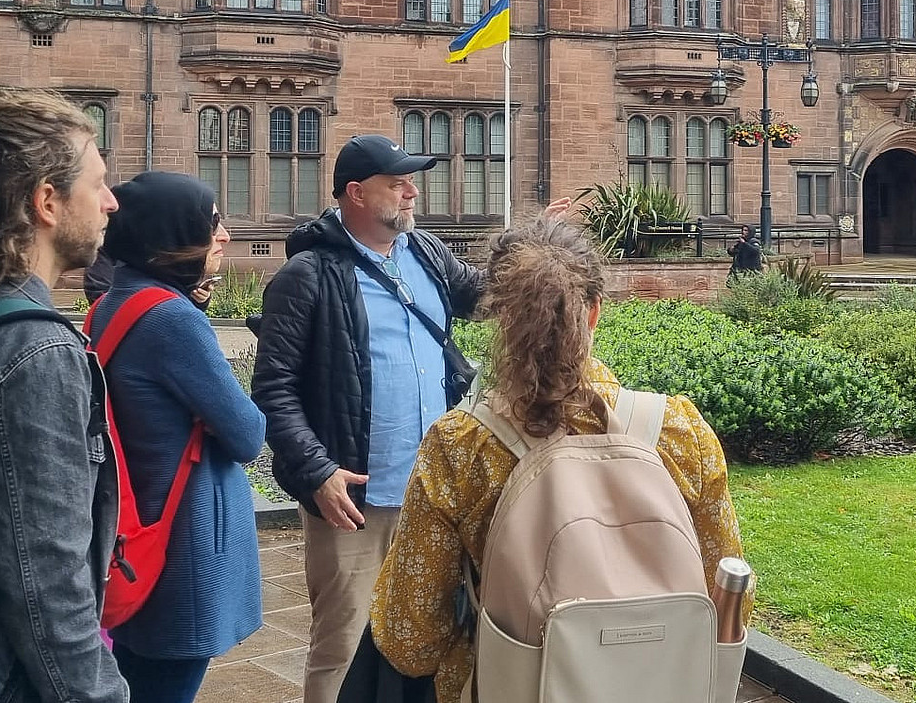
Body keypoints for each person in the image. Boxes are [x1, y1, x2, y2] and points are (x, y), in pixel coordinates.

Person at [368, 219, 745, 701]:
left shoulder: (461, 447)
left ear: (500, 317)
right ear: (594, 313)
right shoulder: (678, 431)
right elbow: (728, 591)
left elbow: (409, 638)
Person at [252, 134, 486, 703]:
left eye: (412, 181)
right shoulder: (308, 275)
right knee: (344, 643)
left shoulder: (426, 253)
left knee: (436, 635)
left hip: (435, 492)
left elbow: (482, 295)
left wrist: (531, 246)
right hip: (356, 500)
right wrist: (315, 470)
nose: (412, 192)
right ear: (355, 194)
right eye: (397, 183)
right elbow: (273, 389)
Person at [0, 90, 127, 703]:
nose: (111, 202)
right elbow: (48, 585)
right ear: (46, 201)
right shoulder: (34, 353)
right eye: (97, 184)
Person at [88, 172, 265, 703]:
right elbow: (249, 433)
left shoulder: (110, 304)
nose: (225, 236)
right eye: (211, 224)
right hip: (182, 547)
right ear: (171, 239)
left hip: (135, 536)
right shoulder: (171, 318)